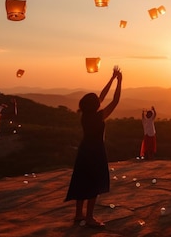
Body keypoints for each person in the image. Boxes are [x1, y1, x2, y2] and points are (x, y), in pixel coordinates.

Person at [65, 66, 122, 229]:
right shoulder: (98, 116)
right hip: (95, 151)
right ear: (95, 105)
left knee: (81, 181)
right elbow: (115, 100)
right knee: (93, 183)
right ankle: (89, 217)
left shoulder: (85, 114)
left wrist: (111, 79)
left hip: (84, 150)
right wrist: (120, 82)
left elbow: (101, 97)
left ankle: (78, 215)